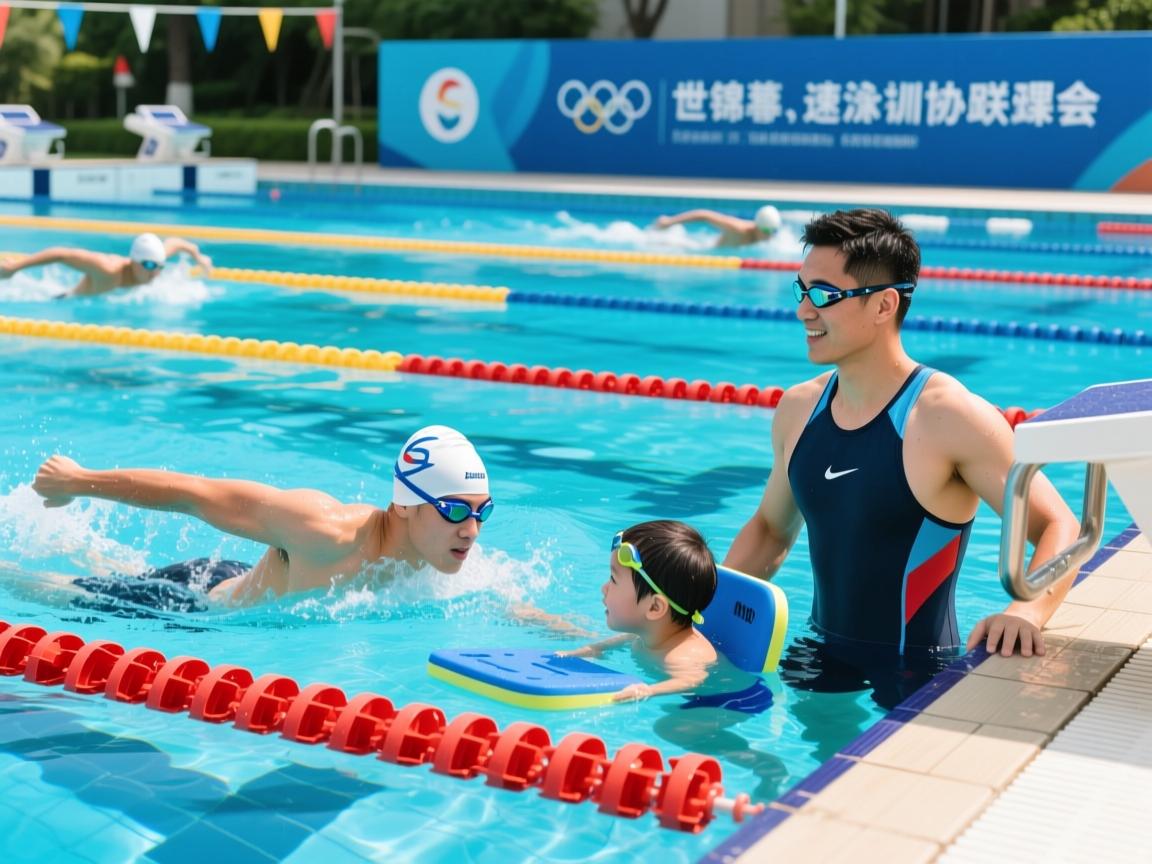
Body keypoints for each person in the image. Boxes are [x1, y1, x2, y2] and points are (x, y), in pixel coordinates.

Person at [724, 208, 1080, 709]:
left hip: (920, 670)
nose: (804, 310)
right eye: (800, 290)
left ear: (883, 305)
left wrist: (1028, 609)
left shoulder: (948, 416)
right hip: (819, 653)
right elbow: (770, 531)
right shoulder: (799, 409)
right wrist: (704, 608)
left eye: (824, 295)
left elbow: (1058, 525)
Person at [29, 425, 493, 610]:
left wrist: (565, 639)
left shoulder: (444, 551)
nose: (471, 530)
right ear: (406, 504)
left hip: (239, 575)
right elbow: (197, 494)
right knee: (51, 591)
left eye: (481, 511)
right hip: (187, 602)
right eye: (454, 509)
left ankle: (82, 550)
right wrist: (77, 479)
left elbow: (500, 599)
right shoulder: (324, 529)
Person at [561, 520, 718, 702]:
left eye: (614, 579)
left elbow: (691, 680)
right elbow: (629, 637)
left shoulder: (679, 657)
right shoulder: (652, 632)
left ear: (654, 607)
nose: (604, 588)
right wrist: (596, 648)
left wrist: (647, 691)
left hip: (697, 708)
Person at [0, 232, 213, 298]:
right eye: (148, 265)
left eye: (159, 266)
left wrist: (199, 257)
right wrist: (15, 268)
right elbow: (63, 254)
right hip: (66, 300)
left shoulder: (154, 261)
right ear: (134, 262)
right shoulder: (109, 270)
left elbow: (177, 243)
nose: (155, 272)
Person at [654, 204, 781, 247]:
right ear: (757, 226)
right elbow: (703, 214)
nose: (769, 235)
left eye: (773, 231)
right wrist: (669, 222)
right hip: (704, 249)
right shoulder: (738, 229)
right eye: (766, 231)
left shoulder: (768, 236)